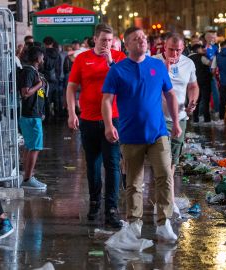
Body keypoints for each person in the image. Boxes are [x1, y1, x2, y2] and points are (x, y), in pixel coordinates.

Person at [102, 26, 181, 241]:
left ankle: (164, 223)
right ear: (127, 45)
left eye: (144, 38)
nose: (142, 41)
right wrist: (109, 125)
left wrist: (175, 122)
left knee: (165, 175)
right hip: (130, 136)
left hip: (158, 133)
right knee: (133, 182)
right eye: (137, 39)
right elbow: (107, 100)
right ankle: (134, 223)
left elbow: (170, 94)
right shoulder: (117, 70)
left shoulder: (157, 65)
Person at [66, 23, 126, 228]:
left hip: (114, 119)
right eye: (103, 40)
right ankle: (94, 202)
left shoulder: (119, 58)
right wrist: (72, 112)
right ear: (95, 39)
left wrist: (110, 62)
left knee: (112, 164)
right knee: (92, 165)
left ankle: (111, 208)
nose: (107, 44)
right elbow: (71, 87)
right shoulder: (82, 58)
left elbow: (126, 83)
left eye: (110, 41)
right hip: (88, 119)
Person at [154, 34, 199, 217]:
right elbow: (152, 85)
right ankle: (167, 201)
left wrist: (193, 101)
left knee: (172, 161)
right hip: (158, 117)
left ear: (183, 48)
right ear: (164, 47)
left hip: (180, 117)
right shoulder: (153, 61)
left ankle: (166, 199)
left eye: (178, 50)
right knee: (162, 162)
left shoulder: (188, 63)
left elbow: (193, 86)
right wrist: (167, 67)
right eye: (171, 49)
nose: (174, 53)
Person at [19, 46, 48, 190]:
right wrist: (39, 84)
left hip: (34, 114)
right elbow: (25, 93)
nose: (43, 59)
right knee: (35, 147)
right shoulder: (28, 72)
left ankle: (27, 176)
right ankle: (28, 179)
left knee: (30, 146)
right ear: (37, 58)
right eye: (42, 57)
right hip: (30, 115)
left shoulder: (33, 71)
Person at [189, 44, 213, 123]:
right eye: (201, 48)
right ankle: (207, 119)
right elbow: (210, 64)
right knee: (206, 100)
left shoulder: (188, 58)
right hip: (204, 81)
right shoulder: (201, 57)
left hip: (194, 82)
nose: (202, 50)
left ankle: (195, 118)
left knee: (195, 100)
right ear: (197, 49)